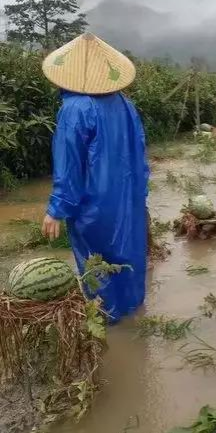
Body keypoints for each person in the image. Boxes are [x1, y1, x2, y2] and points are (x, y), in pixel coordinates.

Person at [41, 33, 149, 323]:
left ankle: (105, 319)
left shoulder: (74, 109)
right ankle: (133, 313)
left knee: (96, 262)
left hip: (94, 205)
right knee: (128, 254)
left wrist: (56, 209)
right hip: (127, 198)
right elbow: (139, 152)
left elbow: (69, 165)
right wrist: (140, 193)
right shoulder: (124, 103)